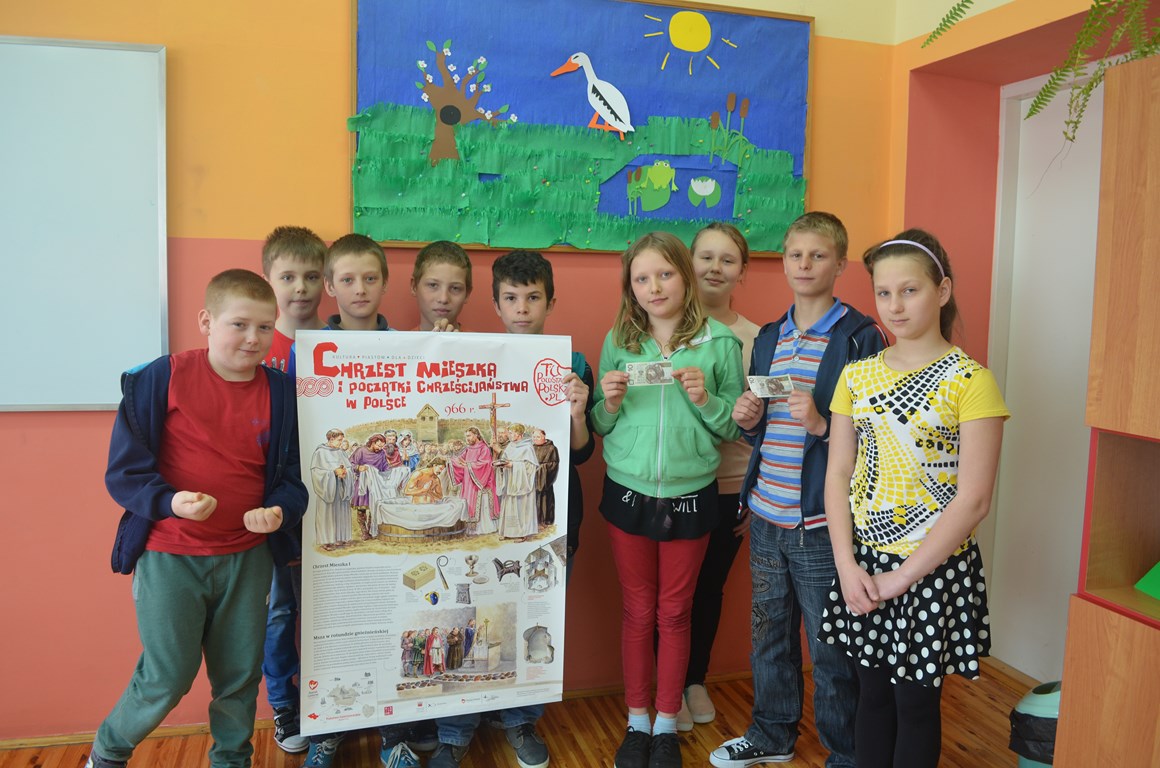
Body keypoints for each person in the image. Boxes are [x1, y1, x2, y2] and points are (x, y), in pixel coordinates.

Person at [84, 269, 308, 768]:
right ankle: (107, 754)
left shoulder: (281, 392)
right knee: (167, 675)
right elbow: (124, 472)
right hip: (170, 556)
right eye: (239, 324)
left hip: (247, 559)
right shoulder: (159, 379)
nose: (253, 338)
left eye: (265, 327)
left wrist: (280, 510)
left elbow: (293, 477)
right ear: (206, 322)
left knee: (239, 676)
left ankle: (232, 759)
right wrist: (169, 502)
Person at [819, 230, 1009, 768]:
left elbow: (973, 500)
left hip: (932, 567)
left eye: (910, 290)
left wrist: (901, 578)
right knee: (872, 695)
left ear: (941, 291)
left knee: (915, 704)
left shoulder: (971, 381)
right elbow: (838, 474)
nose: (895, 306)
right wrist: (847, 564)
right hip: (864, 562)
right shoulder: (857, 376)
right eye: (884, 293)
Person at [710, 212, 886, 768]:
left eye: (818, 255)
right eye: (795, 255)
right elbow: (761, 428)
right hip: (766, 515)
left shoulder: (859, 337)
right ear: (783, 262)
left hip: (821, 525)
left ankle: (846, 754)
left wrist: (822, 424)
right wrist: (748, 420)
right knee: (769, 638)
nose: (805, 265)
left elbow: (880, 436)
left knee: (832, 651)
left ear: (840, 264)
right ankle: (772, 735)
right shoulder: (768, 338)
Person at [427, 250, 595, 768]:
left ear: (550, 301)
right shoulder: (473, 354)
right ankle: (455, 728)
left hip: (554, 511)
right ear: (496, 303)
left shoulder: (572, 363)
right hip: (496, 509)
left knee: (537, 612)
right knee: (470, 609)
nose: (522, 308)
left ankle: (521, 720)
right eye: (511, 298)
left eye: (533, 297)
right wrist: (438, 346)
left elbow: (581, 452)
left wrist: (577, 411)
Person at [594, 232, 745, 768]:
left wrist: (705, 399)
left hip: (691, 493)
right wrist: (610, 404)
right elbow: (599, 422)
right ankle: (637, 723)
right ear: (630, 287)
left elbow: (734, 428)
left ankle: (665, 726)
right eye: (642, 278)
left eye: (664, 274)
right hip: (628, 490)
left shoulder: (721, 343)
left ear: (685, 275)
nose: (654, 287)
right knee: (637, 612)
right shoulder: (619, 339)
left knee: (676, 613)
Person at [297, 235, 420, 768]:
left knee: (397, 616)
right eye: (347, 279)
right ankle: (329, 732)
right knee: (334, 623)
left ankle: (395, 735)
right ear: (330, 286)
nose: (360, 289)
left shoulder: (412, 348)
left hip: (375, 507)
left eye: (370, 278)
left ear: (385, 283)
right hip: (324, 511)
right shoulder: (307, 352)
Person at [676, 223, 760, 730]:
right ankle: (667, 688)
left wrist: (754, 492)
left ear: (742, 271)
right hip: (674, 484)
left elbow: (767, 422)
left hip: (730, 485)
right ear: (689, 263)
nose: (714, 268)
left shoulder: (757, 338)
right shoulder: (665, 326)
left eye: (727, 260)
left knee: (707, 589)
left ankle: (694, 680)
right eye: (705, 257)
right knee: (672, 594)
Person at [258, 225, 327, 753]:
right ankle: (285, 704)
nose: (300, 287)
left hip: (329, 499)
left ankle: (335, 702)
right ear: (268, 279)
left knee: (330, 607)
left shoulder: (341, 344)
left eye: (310, 276)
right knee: (280, 611)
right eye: (287, 277)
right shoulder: (257, 345)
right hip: (274, 505)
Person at [412, 240, 472, 331]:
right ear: (414, 286)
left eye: (455, 288)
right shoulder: (399, 340)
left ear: (467, 294)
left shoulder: (479, 341)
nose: (443, 299)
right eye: (433, 285)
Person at [450, 427, 500, 535]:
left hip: (480, 483)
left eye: (469, 436)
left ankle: (484, 529)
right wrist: (451, 461)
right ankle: (470, 529)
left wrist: (468, 465)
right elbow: (460, 460)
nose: (467, 439)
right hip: (468, 483)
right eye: (466, 436)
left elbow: (485, 464)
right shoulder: (468, 449)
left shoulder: (484, 448)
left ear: (476, 435)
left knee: (480, 505)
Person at [496, 423, 540, 541]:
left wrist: (513, 465)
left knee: (521, 507)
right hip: (510, 481)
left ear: (519, 434)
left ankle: (522, 533)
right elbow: (505, 459)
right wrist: (501, 464)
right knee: (509, 506)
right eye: (509, 433)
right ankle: (507, 531)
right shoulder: (510, 446)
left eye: (511, 433)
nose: (509, 435)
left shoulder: (527, 448)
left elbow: (530, 467)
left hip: (522, 483)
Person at [312, 429, 353, 550]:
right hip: (328, 489)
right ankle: (327, 541)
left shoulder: (341, 452)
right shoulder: (320, 452)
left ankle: (341, 538)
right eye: (339, 440)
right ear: (331, 439)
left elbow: (349, 468)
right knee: (327, 514)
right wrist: (334, 472)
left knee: (341, 512)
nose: (341, 443)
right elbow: (316, 473)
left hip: (340, 488)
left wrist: (345, 472)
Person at [531, 427, 560, 526]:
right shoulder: (531, 448)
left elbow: (554, 464)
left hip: (545, 481)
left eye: (538, 437)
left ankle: (545, 521)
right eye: (534, 437)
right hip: (532, 481)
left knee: (545, 500)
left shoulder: (551, 448)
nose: (535, 439)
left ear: (544, 436)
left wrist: (540, 469)